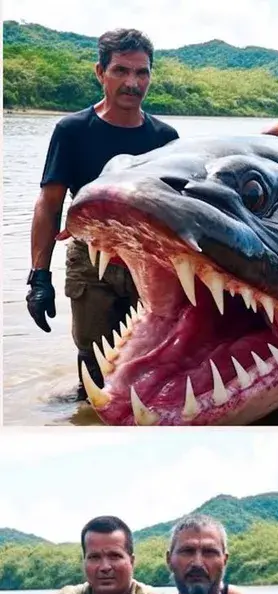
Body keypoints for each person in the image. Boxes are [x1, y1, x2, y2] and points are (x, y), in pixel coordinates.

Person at [26, 28, 180, 398]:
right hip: (91, 256)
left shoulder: (164, 136)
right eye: (121, 71)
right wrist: (38, 277)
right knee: (92, 359)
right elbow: (49, 205)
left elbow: (178, 209)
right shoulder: (73, 131)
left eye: (142, 73)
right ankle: (88, 419)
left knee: (153, 355)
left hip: (148, 257)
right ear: (100, 73)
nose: (133, 82)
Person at [8, 515, 163, 594]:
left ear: (132, 561)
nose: (105, 567)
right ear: (84, 562)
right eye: (94, 557)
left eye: (115, 556)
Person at [158, 515, 264, 594]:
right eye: (187, 551)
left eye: (209, 552)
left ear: (225, 560)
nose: (197, 563)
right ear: (169, 559)